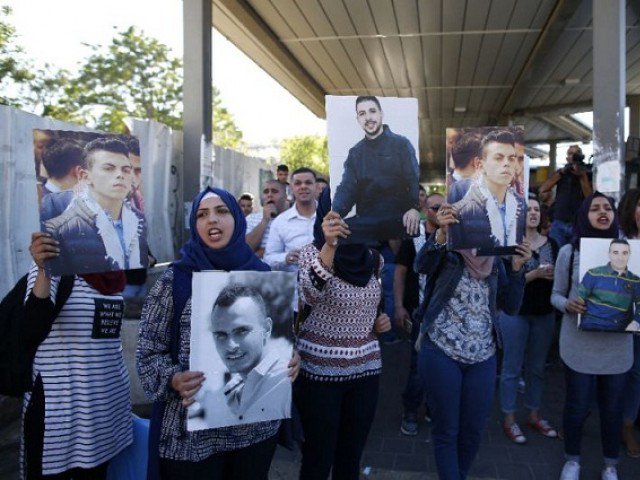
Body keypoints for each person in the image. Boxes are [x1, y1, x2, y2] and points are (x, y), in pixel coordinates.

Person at [137, 187, 300, 479]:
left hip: (255, 432)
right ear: (195, 226)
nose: (212, 220)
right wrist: (174, 378)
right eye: (202, 215)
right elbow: (148, 354)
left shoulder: (263, 275)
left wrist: (290, 358)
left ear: (237, 218)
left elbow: (280, 343)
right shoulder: (174, 281)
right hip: (191, 437)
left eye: (222, 211)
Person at [414, 203, 530, 480]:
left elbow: (511, 307)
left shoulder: (497, 257)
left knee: (473, 431)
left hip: (483, 356)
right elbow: (422, 265)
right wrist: (441, 235)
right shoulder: (450, 249)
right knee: (447, 431)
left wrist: (516, 270)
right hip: (441, 350)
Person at [295, 188, 392, 480]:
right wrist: (330, 244)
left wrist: (379, 322)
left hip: (365, 374)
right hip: (319, 376)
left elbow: (374, 306)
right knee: (317, 458)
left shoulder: (374, 259)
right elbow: (309, 291)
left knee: (350, 458)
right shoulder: (311, 253)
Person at [22, 232, 132, 479]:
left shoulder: (113, 270)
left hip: (105, 414)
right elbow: (30, 329)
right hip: (61, 416)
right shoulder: (56, 263)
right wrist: (43, 270)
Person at [551, 193, 633, 480]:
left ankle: (610, 465)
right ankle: (572, 460)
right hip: (579, 347)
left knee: (612, 411)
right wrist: (567, 305)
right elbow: (556, 295)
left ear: (614, 215)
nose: (602, 212)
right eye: (595, 208)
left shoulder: (632, 254)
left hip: (617, 350)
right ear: (583, 215)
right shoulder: (569, 253)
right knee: (576, 408)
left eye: (607, 208)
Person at [499, 197, 559, 444]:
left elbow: (561, 278)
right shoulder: (510, 245)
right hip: (516, 313)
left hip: (544, 314)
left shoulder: (552, 244)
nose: (533, 213)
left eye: (537, 209)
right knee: (512, 369)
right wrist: (534, 274)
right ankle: (509, 420)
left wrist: (555, 277)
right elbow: (505, 284)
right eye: (528, 209)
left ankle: (534, 414)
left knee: (536, 369)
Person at [44, 137, 148, 276]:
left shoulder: (140, 220)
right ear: (84, 176)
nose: (120, 175)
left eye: (125, 170)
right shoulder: (59, 229)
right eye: (109, 168)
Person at [196, 285, 290, 426]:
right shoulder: (233, 388)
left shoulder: (283, 382)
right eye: (220, 335)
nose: (230, 345)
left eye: (241, 331)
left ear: (267, 328)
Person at [331, 95, 420, 242]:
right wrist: (335, 213)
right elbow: (347, 187)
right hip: (367, 220)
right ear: (358, 119)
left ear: (381, 114)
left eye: (372, 111)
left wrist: (414, 208)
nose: (368, 117)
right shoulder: (356, 153)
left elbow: (413, 179)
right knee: (336, 233)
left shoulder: (401, 144)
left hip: (399, 218)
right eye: (362, 113)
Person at [394, 192, 443, 436]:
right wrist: (399, 306)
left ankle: (433, 407)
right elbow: (401, 272)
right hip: (418, 311)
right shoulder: (414, 235)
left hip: (445, 315)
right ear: (426, 209)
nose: (440, 211)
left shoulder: (455, 236)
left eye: (444, 207)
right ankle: (410, 410)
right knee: (418, 366)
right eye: (435, 207)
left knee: (441, 365)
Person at [448, 130, 526, 252]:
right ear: (480, 164)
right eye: (498, 158)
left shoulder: (520, 203)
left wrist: (517, 267)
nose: (506, 164)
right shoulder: (460, 193)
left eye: (511, 158)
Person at [264, 168, 317, 312]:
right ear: (291, 188)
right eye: (298, 183)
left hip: (329, 298)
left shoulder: (329, 217)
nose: (303, 186)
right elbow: (268, 258)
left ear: (316, 187)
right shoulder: (281, 222)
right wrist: (285, 258)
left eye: (308, 183)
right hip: (294, 300)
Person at [618, 188, 640, 457]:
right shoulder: (618, 240)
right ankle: (580, 416)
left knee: (636, 375)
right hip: (616, 317)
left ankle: (626, 426)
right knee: (607, 370)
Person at [577, 239, 640, 332]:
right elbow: (579, 298)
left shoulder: (635, 280)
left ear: (629, 255)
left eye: (624, 253)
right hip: (591, 326)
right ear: (609, 254)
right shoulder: (594, 273)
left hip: (619, 329)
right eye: (615, 253)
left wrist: (636, 323)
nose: (620, 257)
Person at [539, 145, 593, 248]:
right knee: (556, 254)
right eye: (571, 153)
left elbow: (589, 198)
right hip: (559, 221)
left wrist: (582, 175)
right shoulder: (561, 173)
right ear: (567, 158)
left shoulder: (587, 173)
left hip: (577, 223)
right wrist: (562, 172)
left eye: (577, 153)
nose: (574, 156)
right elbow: (543, 189)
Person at [245, 180, 288, 257]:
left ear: (285, 196)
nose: (269, 195)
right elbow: (245, 249)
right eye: (266, 192)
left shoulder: (293, 218)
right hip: (255, 268)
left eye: (274, 191)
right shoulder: (250, 219)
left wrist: (263, 252)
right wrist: (264, 221)